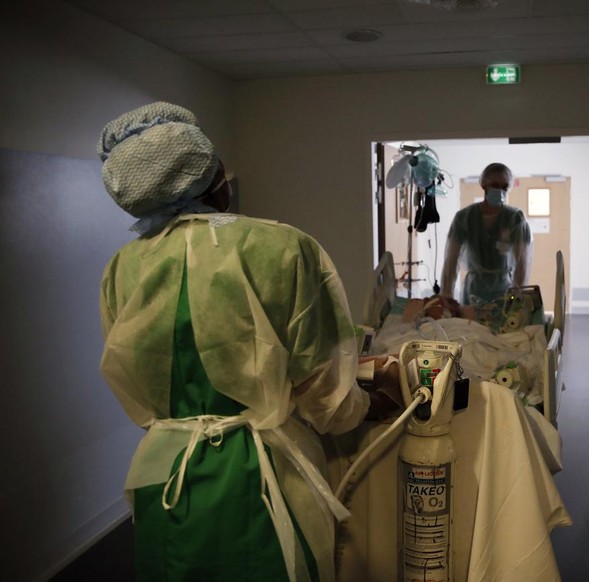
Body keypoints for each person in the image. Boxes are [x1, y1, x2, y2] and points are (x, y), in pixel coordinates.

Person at [97, 102, 398, 582]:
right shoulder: (280, 248)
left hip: (166, 472)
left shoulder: (123, 267)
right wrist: (372, 401)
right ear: (211, 177)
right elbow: (328, 398)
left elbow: (136, 375)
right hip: (257, 477)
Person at [440, 162, 532, 304]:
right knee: (470, 324)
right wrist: (446, 295)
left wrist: (517, 295)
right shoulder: (465, 217)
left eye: (504, 187)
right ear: (484, 185)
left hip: (504, 291)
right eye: (495, 185)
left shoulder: (514, 218)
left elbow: (522, 262)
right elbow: (451, 260)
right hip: (473, 290)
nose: (500, 190)